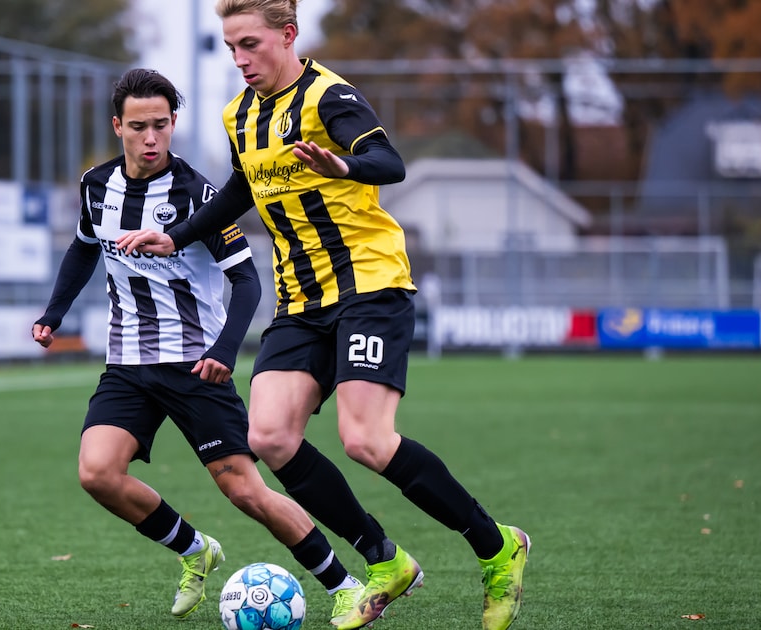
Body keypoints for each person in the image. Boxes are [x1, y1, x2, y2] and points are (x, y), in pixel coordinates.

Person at [115, 2, 530, 629]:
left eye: (250, 44)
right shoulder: (240, 115)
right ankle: (384, 560)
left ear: (288, 36)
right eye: (230, 47)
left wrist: (344, 165)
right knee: (269, 436)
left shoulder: (329, 97)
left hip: (369, 285)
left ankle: (497, 547)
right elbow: (240, 191)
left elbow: (389, 162)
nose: (240, 60)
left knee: (365, 439)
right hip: (301, 301)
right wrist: (176, 238)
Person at [32, 68, 366, 624]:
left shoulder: (198, 195)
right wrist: (54, 313)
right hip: (128, 365)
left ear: (173, 124)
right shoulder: (96, 186)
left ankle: (345, 583)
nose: (151, 138)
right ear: (118, 126)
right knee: (96, 472)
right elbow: (83, 248)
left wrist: (226, 352)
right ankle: (196, 550)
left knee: (245, 491)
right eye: (138, 127)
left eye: (161, 125)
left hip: (195, 366)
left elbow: (248, 280)